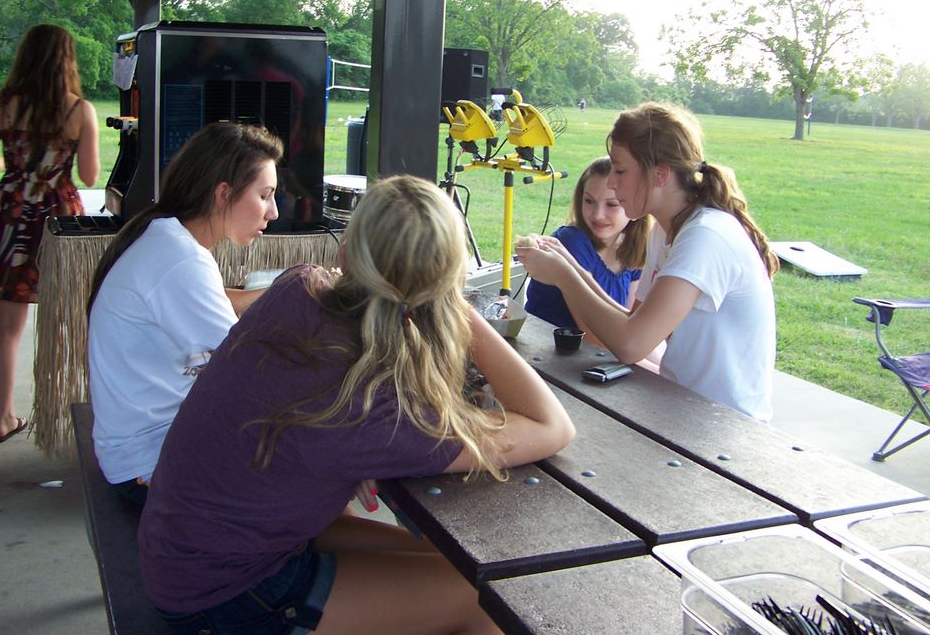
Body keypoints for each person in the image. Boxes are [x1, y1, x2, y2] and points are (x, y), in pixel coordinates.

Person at [139, 175, 576, 635]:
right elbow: (552, 426)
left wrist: (357, 455)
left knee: (451, 562)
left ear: (347, 254)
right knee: (483, 601)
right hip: (223, 595)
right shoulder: (373, 410)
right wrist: (454, 303)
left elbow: (326, 412)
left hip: (186, 549)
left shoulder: (297, 289)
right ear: (449, 280)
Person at [517, 102, 778, 421]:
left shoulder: (705, 236)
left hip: (727, 424)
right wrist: (568, 264)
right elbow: (632, 321)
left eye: (620, 171)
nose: (612, 182)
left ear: (660, 175)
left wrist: (563, 275)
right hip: (681, 407)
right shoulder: (665, 231)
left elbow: (631, 344)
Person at [87, 122, 283, 506]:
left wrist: (288, 288)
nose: (273, 212)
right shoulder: (180, 260)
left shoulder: (167, 237)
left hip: (147, 447)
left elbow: (220, 302)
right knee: (317, 484)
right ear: (223, 194)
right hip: (148, 463)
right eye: (264, 196)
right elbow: (251, 368)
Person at [0, 24, 100, 443]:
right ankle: (65, 407)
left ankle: (3, 418)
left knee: (8, 326)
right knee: (65, 320)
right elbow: (90, 176)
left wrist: (16, 167)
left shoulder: (3, 105)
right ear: (67, 60)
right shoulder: (80, 110)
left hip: (11, 216)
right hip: (57, 220)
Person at [524, 156, 648, 338]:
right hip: (550, 348)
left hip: (603, 350)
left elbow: (631, 323)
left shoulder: (633, 245)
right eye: (589, 201)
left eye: (611, 204)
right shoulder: (572, 242)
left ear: (636, 206)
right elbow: (594, 335)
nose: (598, 215)